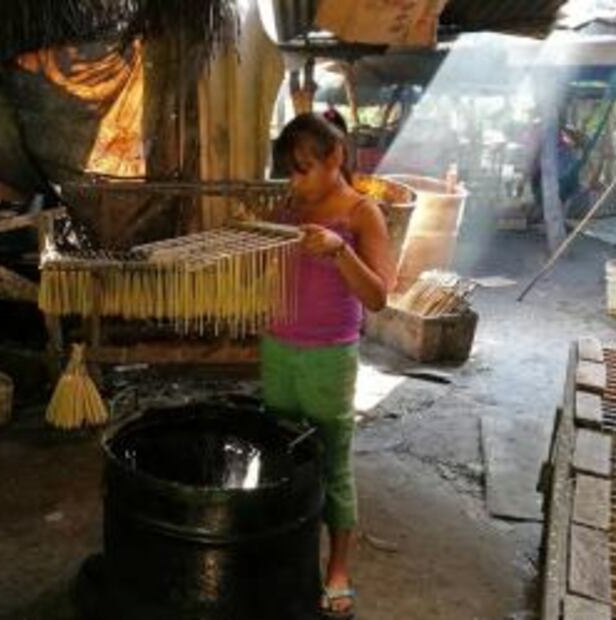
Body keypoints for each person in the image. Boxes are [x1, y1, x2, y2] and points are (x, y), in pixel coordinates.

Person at [263, 113, 397, 619]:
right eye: (289, 172)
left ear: (336, 157)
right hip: (278, 347)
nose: (295, 182)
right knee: (281, 455)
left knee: (331, 461)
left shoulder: (361, 213)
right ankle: (286, 555)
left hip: (328, 356)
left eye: (303, 169)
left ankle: (337, 570)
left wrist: (340, 250)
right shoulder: (288, 207)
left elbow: (378, 296)